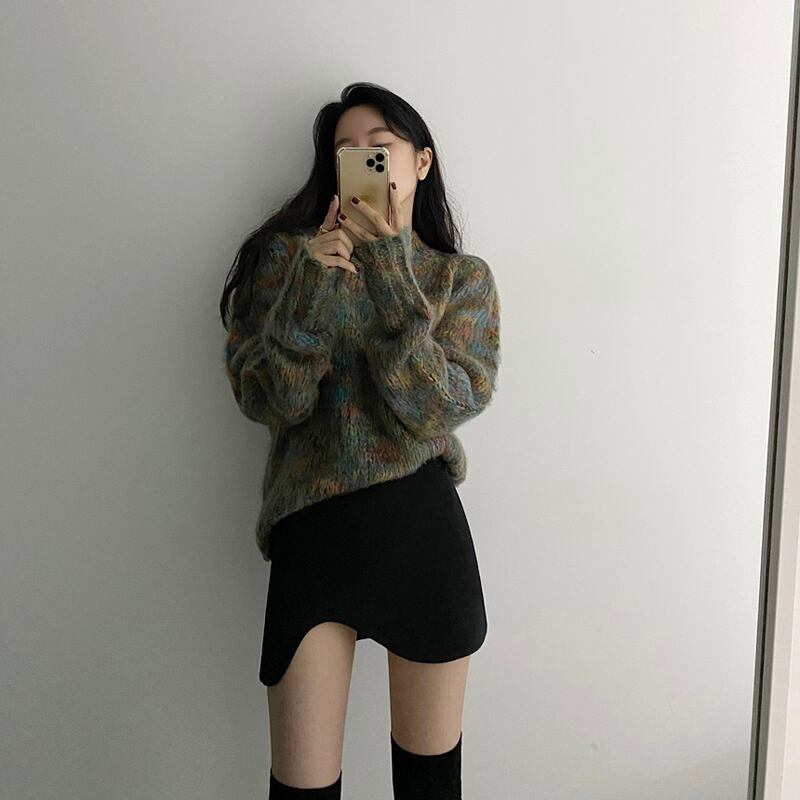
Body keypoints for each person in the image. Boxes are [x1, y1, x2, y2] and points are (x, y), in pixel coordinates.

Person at [220, 82, 501, 800]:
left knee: (430, 787)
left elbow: (438, 408)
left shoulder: (459, 279)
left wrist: (391, 276)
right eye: (346, 152)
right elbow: (269, 400)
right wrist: (309, 289)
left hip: (422, 530)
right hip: (313, 533)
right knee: (302, 788)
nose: (363, 161)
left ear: (421, 162)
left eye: (380, 148)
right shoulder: (287, 261)